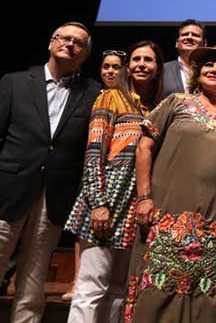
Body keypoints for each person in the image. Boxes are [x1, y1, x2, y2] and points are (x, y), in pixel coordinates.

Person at [124, 45, 216, 323]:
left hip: (211, 223)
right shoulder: (176, 102)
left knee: (201, 293)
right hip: (164, 214)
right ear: (197, 72)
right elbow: (144, 148)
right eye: (208, 64)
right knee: (155, 287)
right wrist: (144, 197)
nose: (214, 69)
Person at [0, 22, 101, 322]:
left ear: (85, 54)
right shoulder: (15, 82)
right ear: (50, 43)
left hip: (55, 197)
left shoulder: (93, 92)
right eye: (64, 38)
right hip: (8, 189)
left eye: (78, 43)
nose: (70, 44)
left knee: (33, 279)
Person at [65, 41, 165, 323]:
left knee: (121, 290)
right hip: (108, 198)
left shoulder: (158, 106)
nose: (142, 64)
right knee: (90, 287)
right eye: (136, 59)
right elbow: (94, 152)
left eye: (149, 60)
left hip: (138, 204)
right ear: (128, 66)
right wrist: (98, 203)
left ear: (158, 68)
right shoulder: (110, 97)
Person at [63, 49, 129, 302]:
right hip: (96, 177)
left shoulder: (130, 99)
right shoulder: (101, 97)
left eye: (115, 67)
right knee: (92, 278)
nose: (110, 71)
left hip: (113, 180)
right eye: (106, 67)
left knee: (113, 285)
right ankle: (75, 278)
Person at [162, 19, 206, 96]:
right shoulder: (162, 70)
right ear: (176, 43)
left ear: (205, 44)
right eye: (185, 34)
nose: (189, 37)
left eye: (195, 35)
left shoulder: (211, 71)